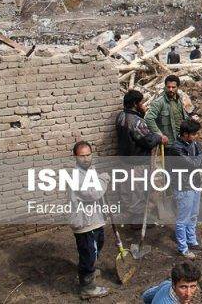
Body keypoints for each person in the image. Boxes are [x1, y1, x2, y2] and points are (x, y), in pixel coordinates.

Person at [69, 141, 110, 299]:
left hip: (95, 218)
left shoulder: (90, 169)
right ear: (75, 157)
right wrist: (104, 180)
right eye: (82, 156)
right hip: (83, 221)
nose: (86, 159)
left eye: (88, 155)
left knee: (98, 243)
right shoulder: (76, 176)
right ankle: (87, 287)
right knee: (88, 252)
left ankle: (90, 270)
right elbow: (92, 193)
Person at [115, 89, 164, 217]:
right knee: (137, 191)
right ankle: (137, 221)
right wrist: (159, 138)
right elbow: (148, 140)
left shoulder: (121, 116)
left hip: (124, 161)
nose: (143, 105)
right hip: (137, 163)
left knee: (127, 190)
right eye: (141, 103)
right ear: (136, 104)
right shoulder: (136, 121)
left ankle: (129, 216)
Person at [168, 119, 202, 258]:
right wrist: (199, 159)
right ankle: (183, 248)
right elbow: (194, 163)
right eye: (194, 134)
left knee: (194, 214)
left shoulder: (194, 144)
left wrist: (199, 160)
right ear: (185, 134)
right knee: (182, 218)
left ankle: (192, 240)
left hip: (195, 182)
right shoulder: (175, 148)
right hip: (183, 185)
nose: (196, 136)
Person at [146, 75, 188, 146]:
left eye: (173, 87)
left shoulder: (178, 99)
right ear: (165, 87)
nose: (170, 89)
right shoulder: (159, 102)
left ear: (177, 87)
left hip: (178, 141)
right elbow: (148, 118)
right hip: (167, 143)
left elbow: (183, 116)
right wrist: (160, 135)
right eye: (168, 87)